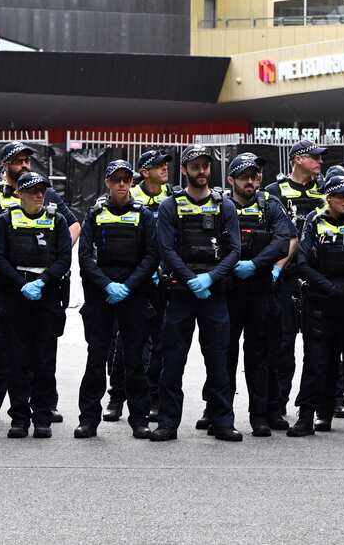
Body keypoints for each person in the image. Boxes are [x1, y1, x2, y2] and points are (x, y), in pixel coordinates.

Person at [0, 142, 77, 428]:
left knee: (42, 349)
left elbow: (73, 225)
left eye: (26, 161)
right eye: (17, 161)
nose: (24, 166)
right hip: (4, 284)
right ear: (4, 165)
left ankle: (44, 405)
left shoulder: (48, 195)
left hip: (44, 286)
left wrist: (57, 253)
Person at [151, 147, 243, 442]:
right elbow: (165, 250)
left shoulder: (224, 206)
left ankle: (222, 422)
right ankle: (167, 423)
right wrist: (191, 279)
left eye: (205, 166)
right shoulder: (170, 206)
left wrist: (210, 278)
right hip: (180, 293)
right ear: (185, 170)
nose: (201, 171)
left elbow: (235, 251)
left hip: (214, 295)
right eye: (195, 166)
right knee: (173, 362)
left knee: (218, 361)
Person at [288, 174, 344, 438]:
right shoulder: (314, 222)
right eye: (341, 195)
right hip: (321, 302)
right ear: (328, 197)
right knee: (316, 361)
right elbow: (302, 262)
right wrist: (327, 287)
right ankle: (309, 416)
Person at [75, 160, 159, 439]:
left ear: (132, 182)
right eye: (116, 179)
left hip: (133, 294)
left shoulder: (144, 214)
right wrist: (107, 285)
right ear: (108, 182)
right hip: (102, 295)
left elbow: (152, 255)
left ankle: (139, 419)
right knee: (96, 358)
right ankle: (88, 419)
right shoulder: (95, 213)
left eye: (126, 179)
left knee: (135, 360)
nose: (122, 184)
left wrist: (129, 286)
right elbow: (84, 256)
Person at [218, 152, 293, 437]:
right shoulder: (220, 205)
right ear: (231, 179)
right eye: (245, 176)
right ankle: (220, 413)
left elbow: (282, 241)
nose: (251, 181)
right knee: (225, 354)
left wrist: (255, 265)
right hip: (227, 289)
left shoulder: (270, 205)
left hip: (260, 288)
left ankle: (260, 414)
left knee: (260, 354)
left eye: (255, 176)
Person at [105, 149, 173, 424]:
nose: (164, 169)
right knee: (126, 341)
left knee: (161, 340)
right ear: (144, 171)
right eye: (158, 165)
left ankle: (154, 396)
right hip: (135, 278)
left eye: (166, 164)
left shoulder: (174, 196)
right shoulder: (132, 197)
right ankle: (116, 397)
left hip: (165, 277)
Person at [264, 137, 326, 431]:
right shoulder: (273, 192)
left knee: (320, 347)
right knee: (281, 345)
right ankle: (276, 406)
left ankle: (321, 405)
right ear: (298, 159)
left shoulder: (327, 191)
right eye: (315, 157)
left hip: (318, 279)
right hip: (284, 279)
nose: (320, 161)